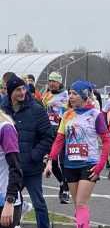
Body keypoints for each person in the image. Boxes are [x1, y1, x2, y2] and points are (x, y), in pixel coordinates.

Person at [44, 80, 110, 228]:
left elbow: (106, 142)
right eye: (70, 93)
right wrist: (50, 160)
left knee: (81, 204)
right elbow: (59, 140)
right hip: (70, 164)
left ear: (84, 95)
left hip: (89, 164)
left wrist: (100, 166)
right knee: (78, 206)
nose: (71, 96)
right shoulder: (67, 115)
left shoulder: (96, 115)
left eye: (74, 93)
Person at [2, 74, 53, 228]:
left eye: (23, 88)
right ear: (10, 92)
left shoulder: (36, 109)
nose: (22, 92)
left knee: (38, 201)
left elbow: (48, 136)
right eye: (18, 90)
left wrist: (35, 154)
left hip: (30, 166)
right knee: (6, 201)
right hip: (11, 168)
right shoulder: (3, 110)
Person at [42, 72, 70, 204]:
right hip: (48, 131)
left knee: (63, 161)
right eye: (50, 81)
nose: (51, 83)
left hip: (62, 131)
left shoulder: (66, 96)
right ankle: (62, 183)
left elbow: (69, 112)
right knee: (51, 162)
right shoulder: (46, 95)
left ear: (59, 83)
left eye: (54, 81)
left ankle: (65, 190)